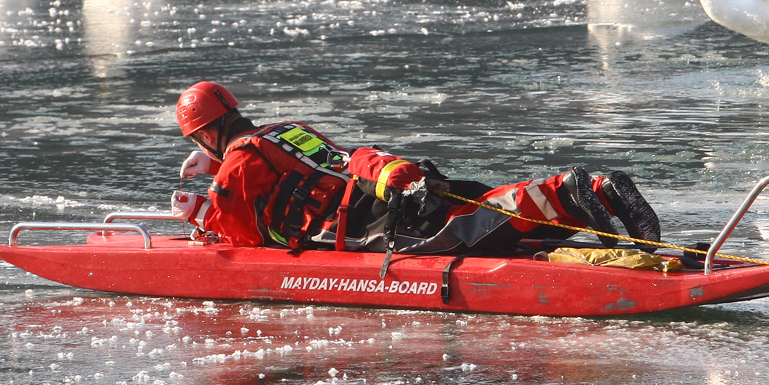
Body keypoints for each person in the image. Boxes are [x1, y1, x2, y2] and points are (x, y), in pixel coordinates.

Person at [169, 81, 661, 256]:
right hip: (391, 187)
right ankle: (600, 188)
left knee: (469, 229)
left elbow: (238, 234)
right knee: (489, 221)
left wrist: (199, 212)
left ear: (203, 134)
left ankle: (569, 190)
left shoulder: (239, 161)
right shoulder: (282, 129)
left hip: (368, 223)